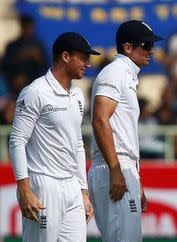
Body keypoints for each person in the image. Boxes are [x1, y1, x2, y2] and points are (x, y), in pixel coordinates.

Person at [8, 32, 100, 241]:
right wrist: (24, 188)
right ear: (65, 56)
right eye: (83, 57)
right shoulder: (35, 92)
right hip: (43, 184)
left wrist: (83, 191)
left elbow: (77, 143)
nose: (87, 63)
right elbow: (17, 140)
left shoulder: (77, 94)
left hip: (72, 187)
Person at [88, 20, 162, 241]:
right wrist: (115, 169)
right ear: (128, 48)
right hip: (113, 165)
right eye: (146, 44)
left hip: (121, 166)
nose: (152, 50)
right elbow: (100, 120)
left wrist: (136, 181)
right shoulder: (114, 72)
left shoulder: (125, 74)